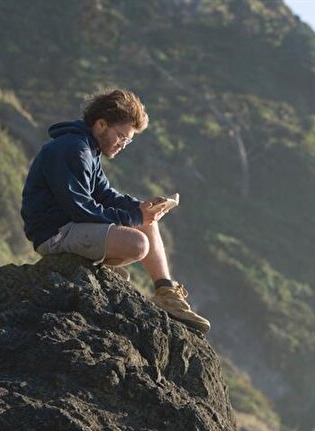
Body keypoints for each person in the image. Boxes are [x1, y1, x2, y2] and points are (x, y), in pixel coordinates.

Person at [21, 89, 210, 334]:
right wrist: (134, 217)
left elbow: (106, 194)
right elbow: (81, 208)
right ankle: (94, 265)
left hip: (75, 228)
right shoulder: (71, 150)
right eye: (121, 136)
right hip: (54, 235)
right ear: (101, 125)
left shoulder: (89, 149)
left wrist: (140, 209)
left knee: (146, 221)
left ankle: (166, 293)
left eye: (128, 140)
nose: (123, 144)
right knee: (138, 244)